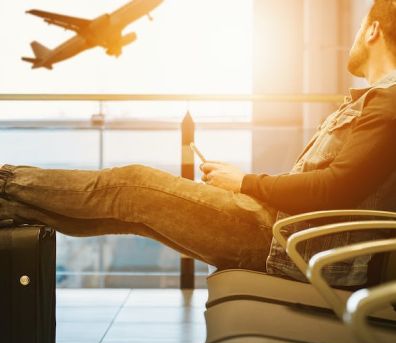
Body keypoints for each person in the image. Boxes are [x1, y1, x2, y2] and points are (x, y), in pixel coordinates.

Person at [1, 0, 395, 287]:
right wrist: (246, 184)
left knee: (130, 186)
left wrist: (244, 183)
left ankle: (5, 183)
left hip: (282, 240)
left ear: (374, 31)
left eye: (361, 27)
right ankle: (9, 205)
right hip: (284, 230)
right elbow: (332, 185)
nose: (355, 37)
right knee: (131, 214)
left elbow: (332, 188)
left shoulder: (388, 103)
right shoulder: (377, 100)